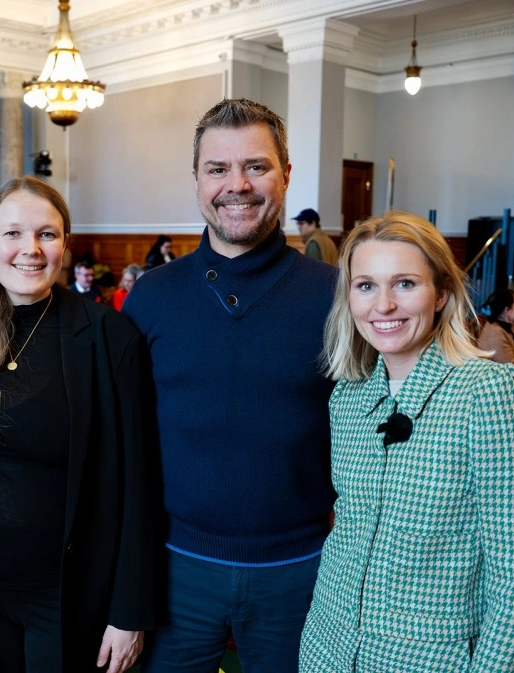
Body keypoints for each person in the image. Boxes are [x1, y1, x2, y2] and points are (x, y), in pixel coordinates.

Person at [123, 98, 338, 673]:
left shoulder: (337, 295)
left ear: (285, 174)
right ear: (196, 179)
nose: (236, 185)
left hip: (303, 570)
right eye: (218, 169)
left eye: (256, 166)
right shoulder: (151, 297)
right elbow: (123, 444)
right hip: (174, 567)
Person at [299, 211, 514, 671]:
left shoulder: (492, 393)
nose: (383, 305)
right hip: (329, 645)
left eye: (405, 284)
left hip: (432, 658)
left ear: (441, 294)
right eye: (365, 285)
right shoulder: (349, 396)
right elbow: (349, 531)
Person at [0, 177, 158, 673]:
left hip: (65, 597)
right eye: (13, 233)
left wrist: (130, 610)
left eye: (47, 234)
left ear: (65, 244)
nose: (30, 249)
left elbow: (138, 484)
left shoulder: (108, 338)